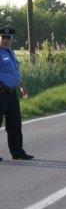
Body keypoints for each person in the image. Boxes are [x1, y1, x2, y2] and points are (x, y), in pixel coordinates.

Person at [0, 26, 33, 161]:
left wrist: (21, 86)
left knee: (15, 124)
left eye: (9, 38)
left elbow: (14, 72)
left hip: (12, 93)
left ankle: (18, 152)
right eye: (4, 37)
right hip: (1, 93)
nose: (6, 40)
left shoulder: (10, 52)